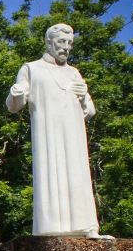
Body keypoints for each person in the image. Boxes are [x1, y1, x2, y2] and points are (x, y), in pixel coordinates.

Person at [6, 22, 106, 238]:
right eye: (62, 42)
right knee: (51, 173)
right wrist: (15, 93)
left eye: (69, 43)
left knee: (77, 174)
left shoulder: (74, 73)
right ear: (49, 42)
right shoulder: (31, 68)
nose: (66, 48)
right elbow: (14, 105)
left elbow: (89, 111)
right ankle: (50, 228)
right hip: (48, 134)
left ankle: (87, 226)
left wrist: (83, 97)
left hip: (74, 134)